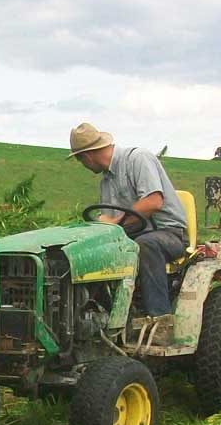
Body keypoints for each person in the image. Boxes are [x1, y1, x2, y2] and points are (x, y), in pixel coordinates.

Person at [67, 122, 188, 318]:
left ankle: (159, 318)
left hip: (167, 234)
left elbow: (153, 202)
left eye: (80, 160)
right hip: (130, 235)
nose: (83, 165)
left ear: (86, 156)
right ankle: (100, 316)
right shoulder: (106, 181)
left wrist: (114, 223)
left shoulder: (138, 159)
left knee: (146, 244)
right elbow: (109, 221)